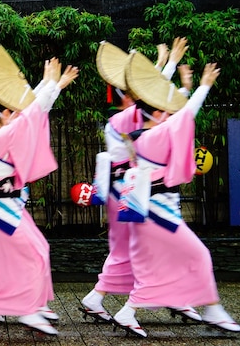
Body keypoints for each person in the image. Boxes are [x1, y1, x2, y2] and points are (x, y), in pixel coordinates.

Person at [111, 52, 240, 337]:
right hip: (159, 214)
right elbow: (185, 116)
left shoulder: (139, 137)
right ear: (157, 113)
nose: (168, 112)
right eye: (164, 109)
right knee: (199, 255)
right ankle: (213, 310)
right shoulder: (155, 136)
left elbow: (177, 117)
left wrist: (184, 86)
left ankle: (128, 311)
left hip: (150, 212)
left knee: (158, 268)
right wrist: (203, 86)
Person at [81, 38, 202, 323]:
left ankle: (171, 297)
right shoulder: (125, 118)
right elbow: (158, 98)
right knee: (146, 246)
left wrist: (163, 64)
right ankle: (171, 298)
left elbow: (154, 93)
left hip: (125, 188)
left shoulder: (124, 117)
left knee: (141, 248)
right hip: (128, 189)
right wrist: (171, 68)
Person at [0, 46, 78, 338]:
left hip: (8, 207)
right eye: (11, 109)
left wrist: (54, 85)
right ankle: (26, 310)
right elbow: (31, 112)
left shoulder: (2, 132)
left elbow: (31, 112)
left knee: (37, 252)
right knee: (30, 254)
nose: (17, 112)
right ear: (3, 113)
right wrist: (50, 84)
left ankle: (5, 308)